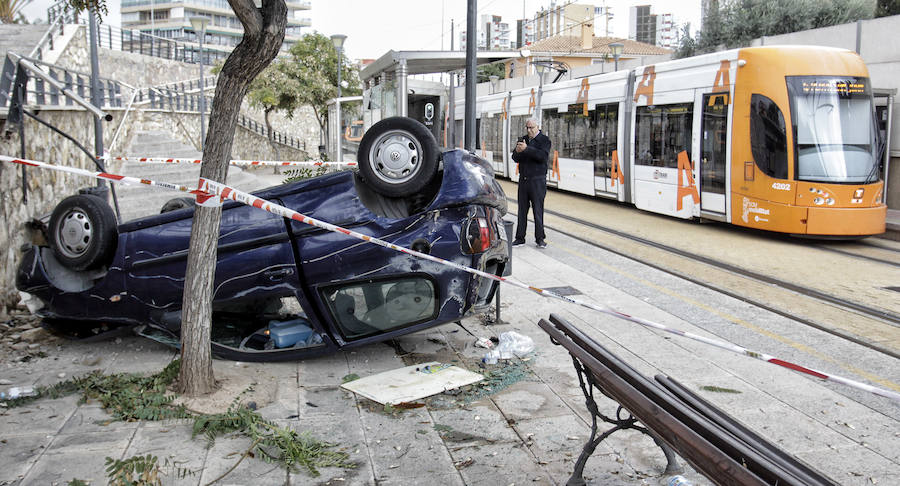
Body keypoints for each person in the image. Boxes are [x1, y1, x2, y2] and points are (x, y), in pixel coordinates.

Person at [511, 118, 551, 248]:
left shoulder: (544, 140)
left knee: (538, 210)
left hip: (538, 180)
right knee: (522, 210)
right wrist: (517, 151)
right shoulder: (523, 139)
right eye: (527, 128)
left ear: (538, 127)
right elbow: (515, 158)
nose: (529, 130)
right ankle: (520, 238)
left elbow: (542, 157)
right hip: (524, 180)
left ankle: (540, 238)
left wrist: (527, 149)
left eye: (531, 128)